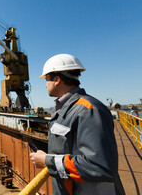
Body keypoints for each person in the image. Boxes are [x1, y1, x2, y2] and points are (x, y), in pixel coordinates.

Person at [30, 54, 125, 195]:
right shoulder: (68, 109)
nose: (45, 84)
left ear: (57, 80)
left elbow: (99, 166)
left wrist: (47, 161)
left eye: (46, 79)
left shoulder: (88, 110)